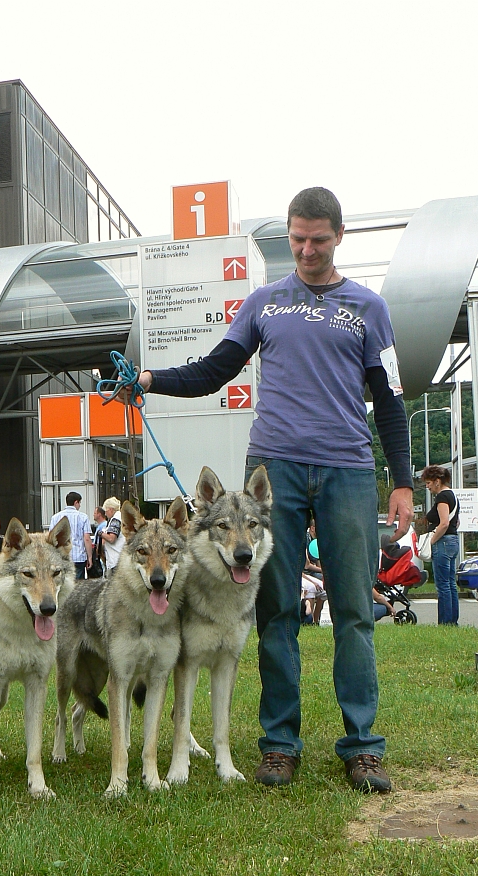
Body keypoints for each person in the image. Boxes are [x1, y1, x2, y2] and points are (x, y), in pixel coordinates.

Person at [126, 187, 413, 793]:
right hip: (274, 470)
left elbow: (388, 400)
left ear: (340, 237)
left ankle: (362, 746)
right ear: (289, 236)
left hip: (348, 469)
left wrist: (404, 480)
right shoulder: (264, 303)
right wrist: (149, 380)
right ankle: (280, 744)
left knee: (356, 611)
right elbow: (214, 369)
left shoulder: (369, 308)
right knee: (275, 612)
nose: (307, 251)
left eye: (318, 240)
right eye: (297, 239)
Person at [422, 463, 460, 625]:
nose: (427, 487)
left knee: (443, 585)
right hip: (453, 541)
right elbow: (455, 522)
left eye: (429, 483)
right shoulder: (452, 496)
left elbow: (444, 523)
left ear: (437, 481)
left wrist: (431, 540)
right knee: (451, 583)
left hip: (443, 542)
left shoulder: (442, 497)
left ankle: (445, 622)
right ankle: (452, 621)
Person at [49, 492, 92, 580]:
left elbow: (50, 539)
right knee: (79, 585)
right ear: (76, 502)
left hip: (60, 557)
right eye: (80, 503)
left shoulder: (55, 517)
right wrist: (90, 557)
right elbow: (87, 539)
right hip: (79, 556)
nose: (79, 505)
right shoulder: (83, 517)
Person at [100, 497, 126, 573]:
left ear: (111, 509)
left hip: (115, 560)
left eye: (106, 511)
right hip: (119, 558)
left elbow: (111, 538)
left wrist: (101, 533)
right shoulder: (119, 517)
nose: (105, 514)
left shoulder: (116, 520)